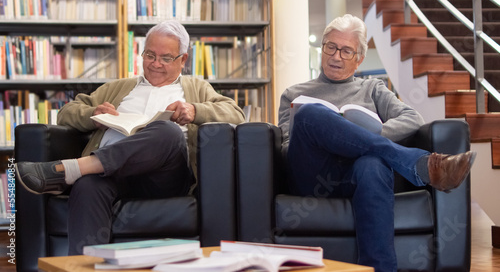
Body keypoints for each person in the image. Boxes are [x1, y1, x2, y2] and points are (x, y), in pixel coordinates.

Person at [16, 19, 245, 254]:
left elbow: (236, 114)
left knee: (166, 130)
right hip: (113, 176)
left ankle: (74, 168)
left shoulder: (196, 87)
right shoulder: (119, 87)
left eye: (166, 58)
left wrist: (195, 110)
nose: (155, 64)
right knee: (87, 186)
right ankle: (83, 267)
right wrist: (92, 114)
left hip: (164, 178)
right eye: (150, 55)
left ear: (183, 60)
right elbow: (66, 113)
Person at [277, 14, 476, 272]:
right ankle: (418, 165)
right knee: (309, 114)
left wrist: (364, 139)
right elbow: (285, 149)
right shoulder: (295, 93)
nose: (336, 56)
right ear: (322, 47)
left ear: (359, 59)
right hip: (313, 176)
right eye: (331, 47)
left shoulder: (372, 89)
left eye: (347, 51)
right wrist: (327, 135)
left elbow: (412, 117)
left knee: (372, 162)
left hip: (357, 174)